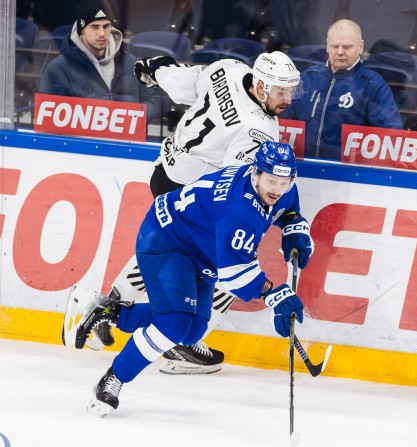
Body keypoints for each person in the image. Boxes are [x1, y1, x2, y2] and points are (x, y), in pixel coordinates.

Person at [78, 50, 303, 376]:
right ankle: (172, 336)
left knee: (171, 253)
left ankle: (113, 303)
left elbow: (187, 82)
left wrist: (159, 71)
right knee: (226, 268)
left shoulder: (230, 68)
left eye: (290, 90)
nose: (287, 98)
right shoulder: (261, 129)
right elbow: (239, 185)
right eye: (280, 90)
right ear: (260, 84)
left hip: (165, 171)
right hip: (191, 192)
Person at [63, 141, 314, 416]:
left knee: (193, 330)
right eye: (271, 181)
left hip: (199, 249)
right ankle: (112, 381)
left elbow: (288, 208)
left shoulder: (273, 186)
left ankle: (108, 310)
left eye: (284, 182)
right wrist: (275, 294)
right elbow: (234, 275)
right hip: (166, 239)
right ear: (255, 173)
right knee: (173, 324)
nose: (277, 189)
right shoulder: (239, 212)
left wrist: (294, 226)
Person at [281, 19, 403, 160]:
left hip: (348, 175)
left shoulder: (373, 85)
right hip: (303, 168)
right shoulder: (308, 77)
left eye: (347, 47)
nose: (340, 52)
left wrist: (364, 158)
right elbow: (286, 121)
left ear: (360, 47)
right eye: (334, 46)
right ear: (327, 46)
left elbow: (392, 136)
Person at [37, 0, 160, 122]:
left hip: (126, 140)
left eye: (106, 26)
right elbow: (48, 118)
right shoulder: (58, 69)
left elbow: (154, 99)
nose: (102, 33)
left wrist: (136, 119)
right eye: (94, 27)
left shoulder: (132, 63)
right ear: (82, 30)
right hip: (82, 141)